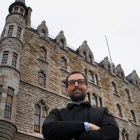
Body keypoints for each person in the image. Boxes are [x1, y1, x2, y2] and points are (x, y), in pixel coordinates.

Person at [42, 71, 119, 140]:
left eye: (80, 82)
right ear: (66, 91)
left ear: (87, 88)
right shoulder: (57, 113)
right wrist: (86, 126)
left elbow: (112, 134)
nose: (76, 85)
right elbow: (48, 130)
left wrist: (74, 136)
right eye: (72, 83)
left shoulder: (102, 112)